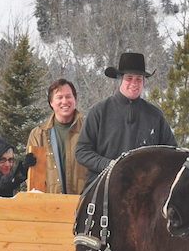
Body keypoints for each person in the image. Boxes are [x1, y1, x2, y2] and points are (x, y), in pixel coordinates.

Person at [75, 52, 177, 194]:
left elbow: (172, 153)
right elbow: (82, 151)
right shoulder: (99, 111)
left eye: (139, 79)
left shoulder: (155, 115)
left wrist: (151, 171)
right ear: (120, 79)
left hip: (144, 194)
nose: (134, 84)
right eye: (129, 78)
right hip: (102, 190)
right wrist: (110, 165)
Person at [26, 78, 85, 195]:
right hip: (50, 205)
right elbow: (33, 177)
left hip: (83, 204)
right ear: (51, 102)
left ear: (75, 99)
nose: (65, 101)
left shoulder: (88, 129)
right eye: (59, 97)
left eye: (68, 96)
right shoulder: (38, 134)